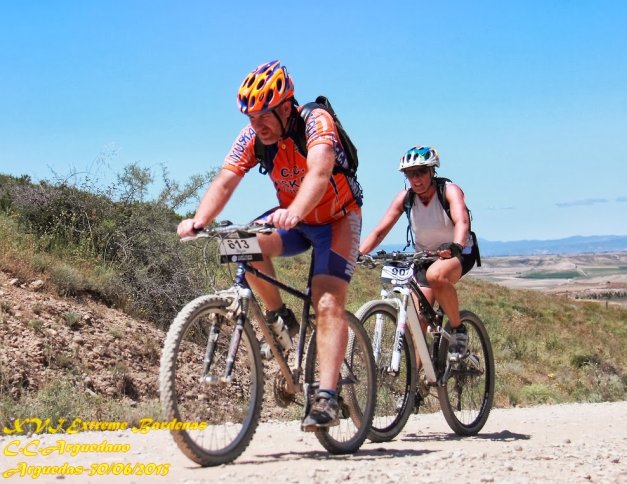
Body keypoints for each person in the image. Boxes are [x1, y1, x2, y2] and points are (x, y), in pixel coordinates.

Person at [177, 60, 363, 430]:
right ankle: (280, 316)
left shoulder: (316, 122)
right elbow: (226, 179)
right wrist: (199, 220)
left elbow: (320, 172)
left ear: (285, 107)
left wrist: (295, 210)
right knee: (238, 244)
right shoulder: (253, 138)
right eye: (250, 117)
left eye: (264, 116)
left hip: (337, 218)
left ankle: (326, 397)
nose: (256, 125)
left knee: (327, 302)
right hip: (293, 218)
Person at [359, 146, 478, 357]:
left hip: (460, 252)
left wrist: (456, 246)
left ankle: (458, 329)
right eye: (409, 174)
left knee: (436, 275)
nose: (415, 179)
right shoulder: (405, 198)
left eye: (421, 172)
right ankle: (420, 376)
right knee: (417, 321)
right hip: (425, 257)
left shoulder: (449, 190)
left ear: (432, 171)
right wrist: (358, 254)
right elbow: (379, 232)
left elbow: (462, 221)